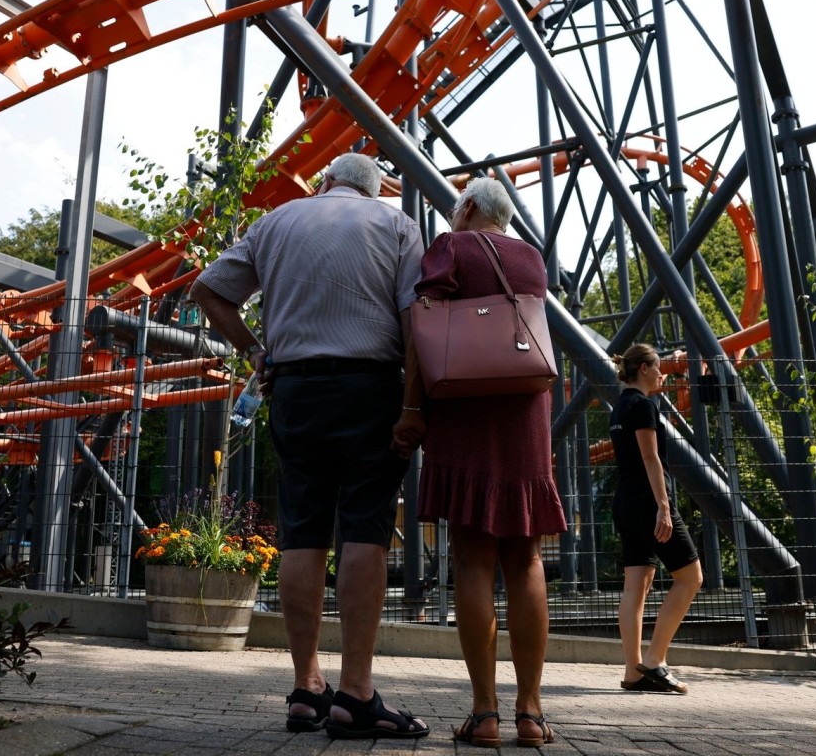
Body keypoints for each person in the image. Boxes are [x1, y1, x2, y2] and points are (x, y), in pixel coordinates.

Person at [190, 152, 429, 740]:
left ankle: (306, 687)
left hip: (294, 387)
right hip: (370, 387)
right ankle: (357, 693)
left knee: (303, 530)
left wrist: (255, 351)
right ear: (374, 192)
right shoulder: (396, 226)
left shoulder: (276, 221)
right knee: (365, 529)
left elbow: (210, 290)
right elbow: (417, 319)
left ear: (325, 183)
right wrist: (413, 405)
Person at [392, 176, 565, 748]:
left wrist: (413, 407)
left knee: (472, 560)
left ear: (467, 207)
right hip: (525, 414)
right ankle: (533, 713)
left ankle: (485, 712)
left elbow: (423, 327)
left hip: (465, 410)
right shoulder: (532, 258)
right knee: (526, 558)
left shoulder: (450, 246)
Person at [609, 343, 703, 694]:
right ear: (644, 369)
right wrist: (664, 506)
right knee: (691, 577)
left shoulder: (618, 407)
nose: (663, 372)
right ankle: (654, 660)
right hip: (648, 502)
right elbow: (651, 459)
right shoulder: (644, 405)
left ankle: (633, 671)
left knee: (637, 585)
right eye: (659, 367)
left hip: (624, 501)